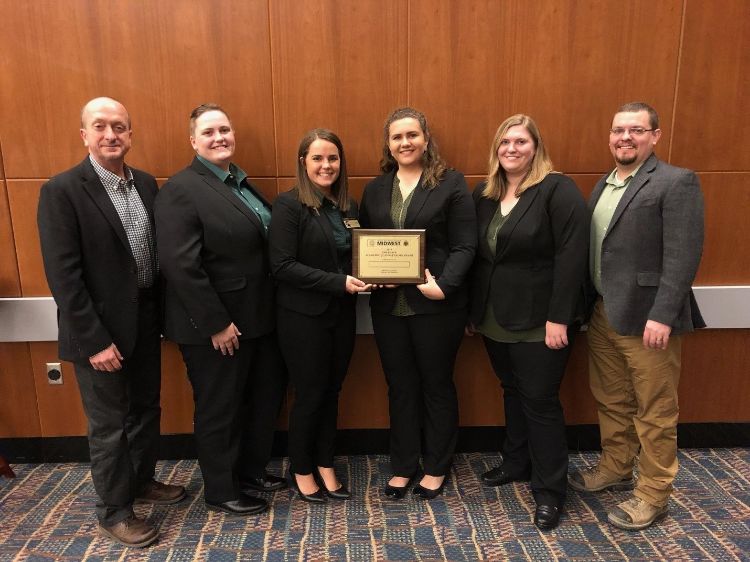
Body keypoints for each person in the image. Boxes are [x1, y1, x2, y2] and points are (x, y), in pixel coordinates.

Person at [37, 97, 185, 548]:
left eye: (119, 127)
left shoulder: (145, 183)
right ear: (84, 134)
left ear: (130, 134)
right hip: (97, 331)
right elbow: (64, 277)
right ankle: (114, 511)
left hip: (143, 318)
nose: (110, 135)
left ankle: (140, 482)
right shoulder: (62, 190)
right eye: (100, 126)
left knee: (145, 411)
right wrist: (95, 341)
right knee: (108, 426)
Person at [568, 102, 705, 531]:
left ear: (655, 136)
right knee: (612, 399)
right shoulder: (604, 186)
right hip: (605, 312)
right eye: (618, 130)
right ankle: (616, 466)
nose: (625, 138)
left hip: (649, 320)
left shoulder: (676, 181)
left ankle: (653, 494)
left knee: (655, 409)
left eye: (636, 130)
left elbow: (683, 255)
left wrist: (663, 314)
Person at [154, 103, 287, 516]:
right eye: (209, 132)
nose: (219, 138)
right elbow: (180, 264)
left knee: (261, 400)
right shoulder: (181, 188)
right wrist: (216, 323)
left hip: (258, 319)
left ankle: (249, 472)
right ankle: (221, 489)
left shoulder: (240, 183)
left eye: (225, 129)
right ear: (193, 141)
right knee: (220, 408)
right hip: (215, 326)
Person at [467, 114, 589, 530]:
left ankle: (550, 491)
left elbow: (572, 259)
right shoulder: (485, 194)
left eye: (520, 141)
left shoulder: (557, 189)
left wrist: (560, 318)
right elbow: (476, 258)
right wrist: (472, 312)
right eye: (504, 142)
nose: (511, 149)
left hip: (541, 321)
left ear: (536, 147)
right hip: (494, 319)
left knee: (540, 402)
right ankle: (515, 462)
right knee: (512, 390)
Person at [360, 107, 476, 500]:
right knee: (400, 386)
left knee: (436, 384)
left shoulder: (451, 183)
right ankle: (403, 464)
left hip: (436, 305)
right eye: (397, 137)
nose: (405, 143)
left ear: (426, 139)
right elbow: (367, 245)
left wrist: (445, 285)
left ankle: (437, 464)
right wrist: (371, 273)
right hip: (389, 308)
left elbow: (465, 244)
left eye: (412, 135)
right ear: (388, 144)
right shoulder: (376, 189)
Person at [269, 129, 369, 503]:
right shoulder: (289, 205)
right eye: (318, 158)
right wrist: (339, 282)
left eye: (333, 158)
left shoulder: (348, 207)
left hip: (341, 316)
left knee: (333, 391)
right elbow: (282, 266)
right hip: (302, 317)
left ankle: (326, 462)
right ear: (303, 163)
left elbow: (356, 257)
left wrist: (376, 275)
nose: (326, 165)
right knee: (310, 394)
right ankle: (302, 468)